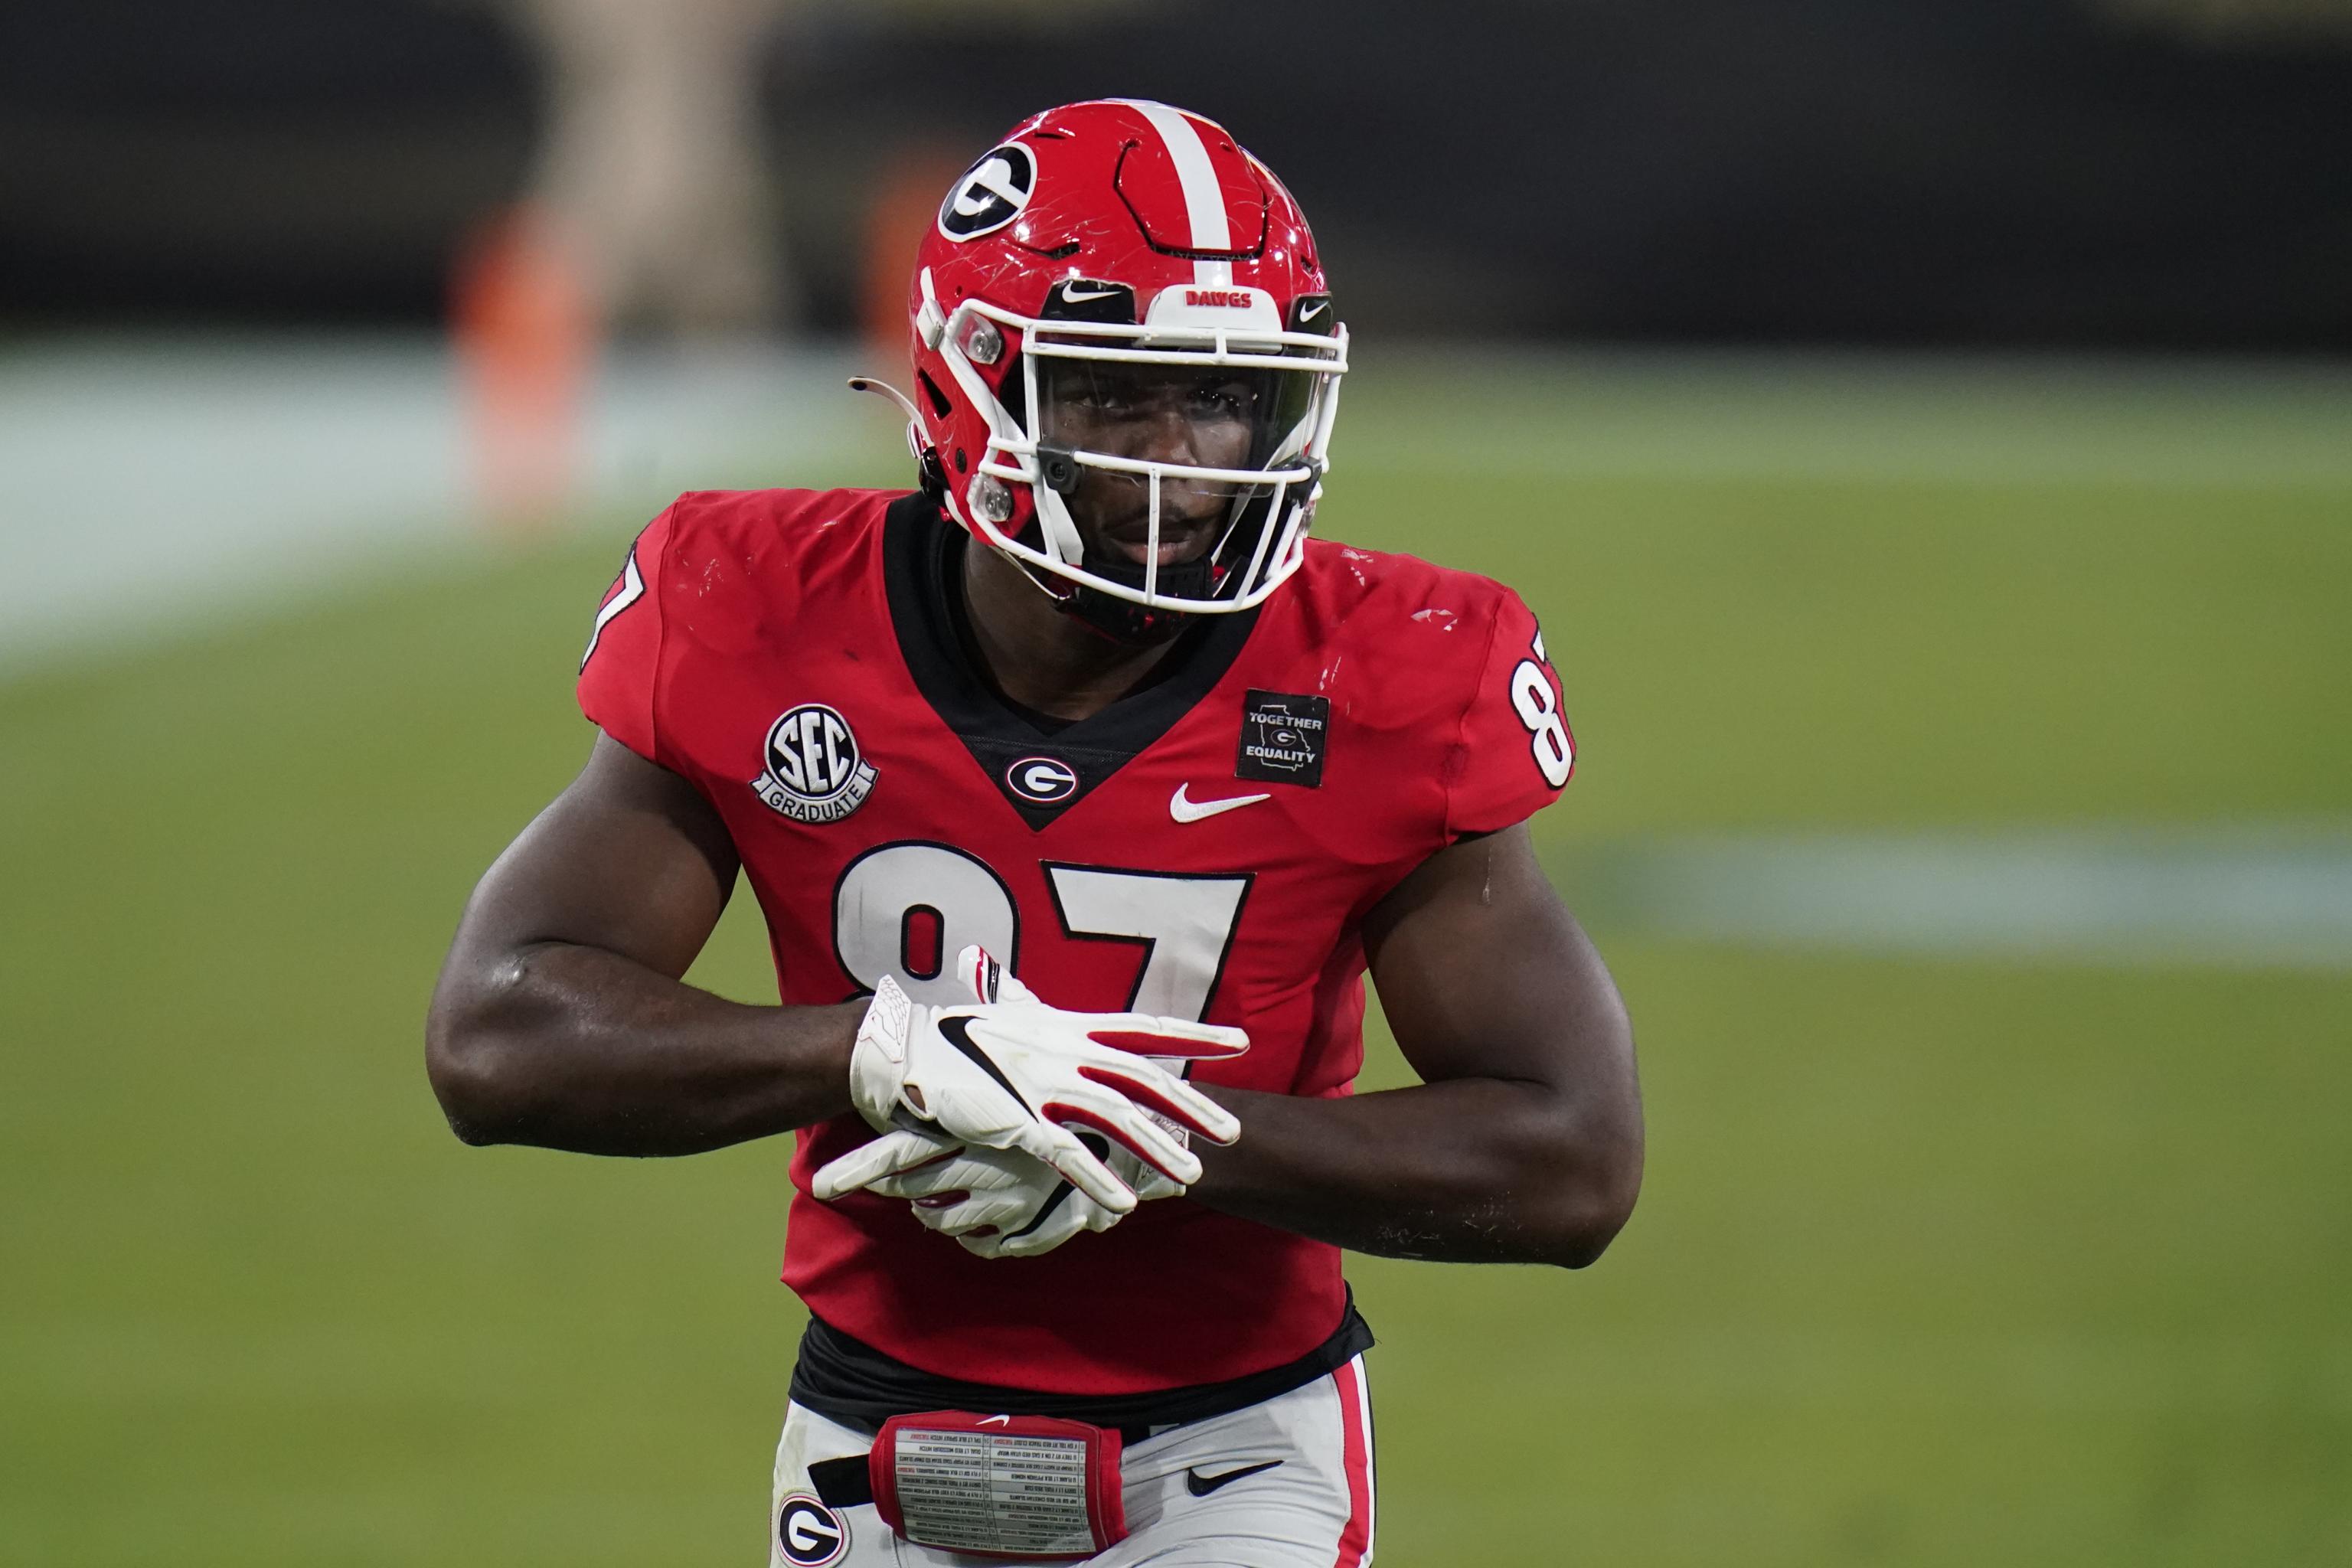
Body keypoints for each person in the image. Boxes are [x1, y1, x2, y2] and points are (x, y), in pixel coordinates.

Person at [426, 98, 1643, 1568]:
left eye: (1227, 399)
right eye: (1115, 396)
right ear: (972, 384)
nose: (1184, 457)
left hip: (1231, 1460)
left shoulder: (1388, 668)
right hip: (866, 1444)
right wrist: (879, 1056)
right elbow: (498, 1038)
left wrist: (1142, 1138)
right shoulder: (758, 604)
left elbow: (1570, 1159)